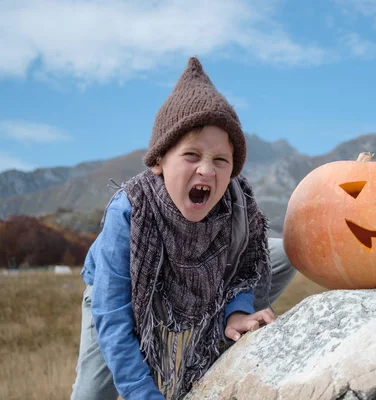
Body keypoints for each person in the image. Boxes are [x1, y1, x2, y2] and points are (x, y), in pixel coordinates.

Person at [70, 57, 296, 400]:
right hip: (121, 297)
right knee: (91, 393)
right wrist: (141, 393)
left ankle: (233, 326)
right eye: (192, 155)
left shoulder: (236, 205)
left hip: (204, 284)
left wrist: (238, 307)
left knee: (280, 250)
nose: (207, 170)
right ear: (159, 161)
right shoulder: (130, 209)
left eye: (221, 160)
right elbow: (111, 314)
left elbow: (247, 267)